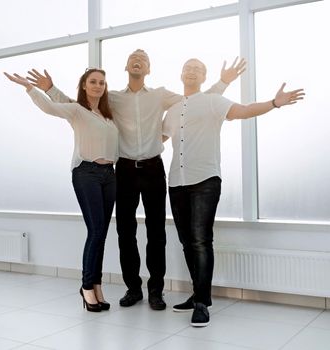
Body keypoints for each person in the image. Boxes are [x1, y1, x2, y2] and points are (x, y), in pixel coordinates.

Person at [25, 50, 246, 310]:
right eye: (132, 57)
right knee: (125, 232)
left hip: (153, 169)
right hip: (126, 171)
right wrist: (50, 89)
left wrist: (223, 83)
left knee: (157, 233)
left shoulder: (160, 95)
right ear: (127, 66)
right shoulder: (114, 98)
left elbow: (198, 101)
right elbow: (80, 108)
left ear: (149, 68)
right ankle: (133, 288)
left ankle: (156, 292)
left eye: (143, 57)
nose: (137, 59)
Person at [162, 58, 305, 326]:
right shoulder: (171, 110)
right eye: (187, 67)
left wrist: (274, 103)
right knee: (186, 241)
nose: (191, 71)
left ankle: (202, 303)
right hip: (176, 182)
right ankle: (196, 294)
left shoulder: (213, 101)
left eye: (197, 68)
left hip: (205, 180)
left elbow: (245, 110)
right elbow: (156, 139)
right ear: (180, 74)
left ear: (204, 77)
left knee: (201, 240)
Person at [4, 68, 118, 313]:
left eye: (102, 82)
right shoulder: (77, 110)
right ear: (84, 85)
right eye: (93, 82)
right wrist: (31, 88)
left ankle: (96, 285)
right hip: (86, 172)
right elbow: (51, 107)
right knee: (96, 231)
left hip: (110, 176)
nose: (98, 85)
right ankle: (87, 287)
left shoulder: (107, 116)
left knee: (102, 233)